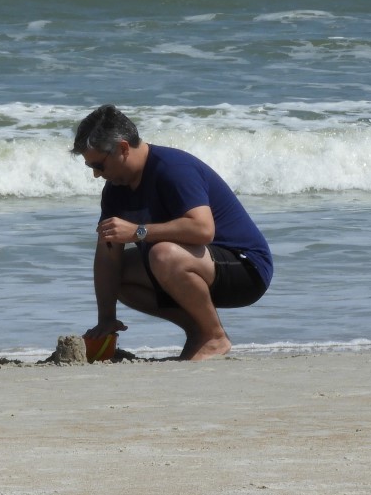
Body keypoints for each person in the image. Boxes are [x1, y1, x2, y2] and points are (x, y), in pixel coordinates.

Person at [72, 104, 272, 361]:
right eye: (91, 167)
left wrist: (138, 232)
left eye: (99, 165)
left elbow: (203, 229)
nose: (97, 175)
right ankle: (197, 332)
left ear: (123, 149)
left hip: (245, 268)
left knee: (162, 254)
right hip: (194, 266)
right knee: (119, 271)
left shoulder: (172, 169)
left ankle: (214, 336)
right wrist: (107, 319)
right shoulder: (115, 189)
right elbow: (107, 256)